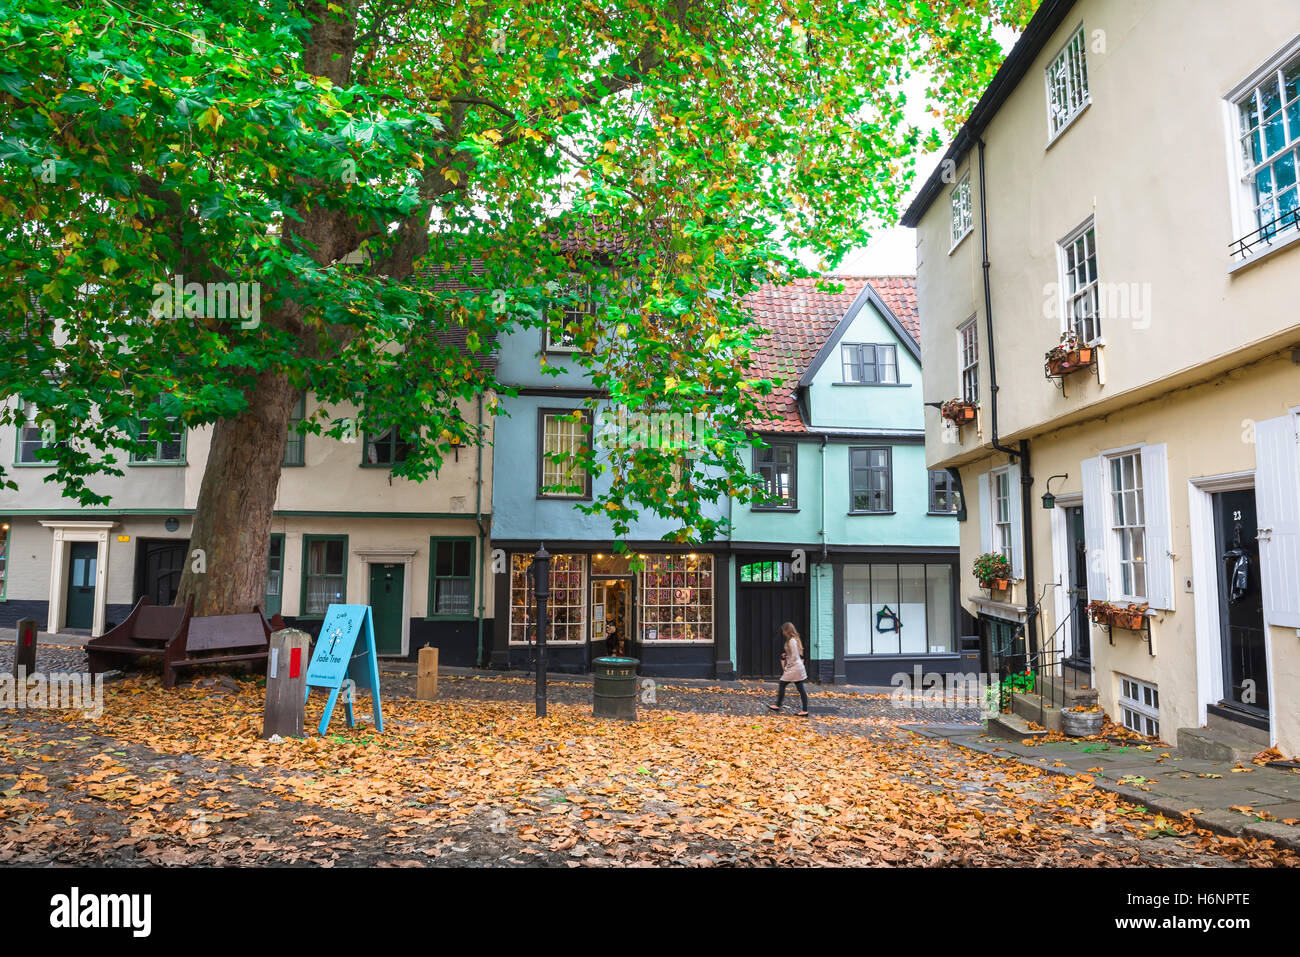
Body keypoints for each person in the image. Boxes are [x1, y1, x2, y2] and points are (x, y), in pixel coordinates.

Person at [768, 621, 809, 717]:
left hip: (794, 668)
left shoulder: (792, 641)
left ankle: (778, 705)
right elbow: (793, 654)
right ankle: (804, 710)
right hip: (797, 667)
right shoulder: (792, 640)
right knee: (800, 688)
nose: (782, 633)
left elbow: (794, 655)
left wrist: (788, 666)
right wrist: (786, 655)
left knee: (782, 684)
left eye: (783, 631)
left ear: (787, 631)